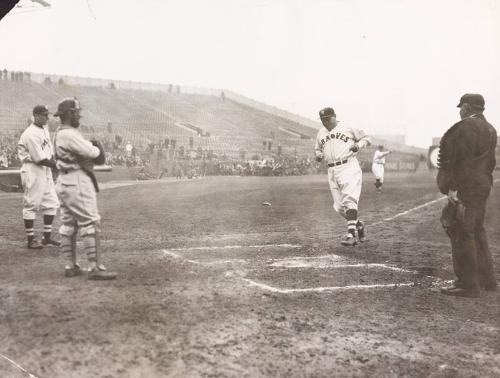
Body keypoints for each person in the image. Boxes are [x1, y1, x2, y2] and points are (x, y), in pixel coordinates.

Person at [437, 93, 497, 298]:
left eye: (461, 106)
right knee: (477, 229)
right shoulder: (491, 129)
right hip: (482, 185)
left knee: (461, 230)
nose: (460, 110)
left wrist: (453, 187)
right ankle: (486, 279)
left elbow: (460, 161)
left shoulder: (466, 127)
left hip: (467, 187)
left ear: (469, 107)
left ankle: (468, 284)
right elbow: (490, 163)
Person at [53, 98, 117, 280]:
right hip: (76, 180)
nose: (78, 116)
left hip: (64, 181)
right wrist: (94, 146)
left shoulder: (60, 133)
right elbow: (93, 154)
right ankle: (94, 267)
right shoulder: (69, 134)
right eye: (76, 113)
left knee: (68, 224)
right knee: (90, 221)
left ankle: (70, 265)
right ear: (70, 114)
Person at [315, 107, 371, 246]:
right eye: (322, 120)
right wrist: (318, 154)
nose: (325, 122)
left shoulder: (347, 127)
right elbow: (317, 148)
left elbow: (367, 138)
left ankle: (351, 235)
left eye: (327, 119)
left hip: (348, 166)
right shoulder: (321, 132)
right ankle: (359, 225)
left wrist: (358, 145)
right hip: (332, 170)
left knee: (349, 200)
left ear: (334, 117)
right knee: (339, 207)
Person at [17, 105, 60, 249]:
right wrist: (57, 166)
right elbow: (39, 159)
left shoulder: (44, 129)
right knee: (31, 204)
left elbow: (49, 153)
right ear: (35, 115)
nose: (47, 117)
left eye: (47, 115)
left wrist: (54, 165)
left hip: (45, 169)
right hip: (33, 169)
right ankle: (30, 240)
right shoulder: (30, 133)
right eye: (44, 115)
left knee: (52, 203)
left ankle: (46, 238)